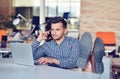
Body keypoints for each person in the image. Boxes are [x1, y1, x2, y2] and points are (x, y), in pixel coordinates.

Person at [31, 17, 105, 74]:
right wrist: (39, 39)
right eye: (52, 29)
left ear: (65, 31)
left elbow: (73, 63)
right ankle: (92, 59)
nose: (54, 32)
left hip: (72, 72)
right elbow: (31, 56)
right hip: (54, 74)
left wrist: (53, 60)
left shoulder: (73, 42)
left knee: (85, 66)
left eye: (57, 29)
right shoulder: (46, 46)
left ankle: (92, 59)